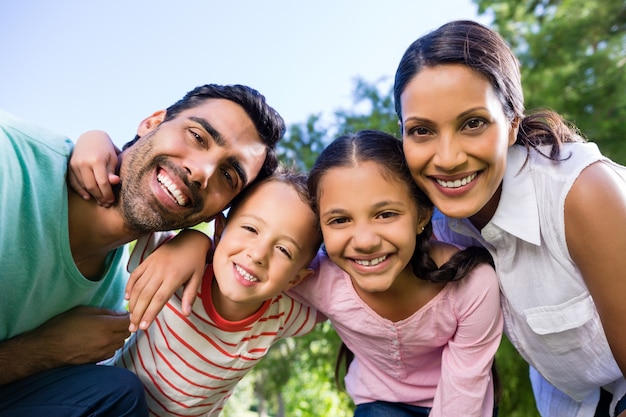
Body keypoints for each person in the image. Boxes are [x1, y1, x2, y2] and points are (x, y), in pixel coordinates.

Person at [0, 83, 285, 417]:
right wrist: (42, 351)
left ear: (217, 213)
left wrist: (199, 240)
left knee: (118, 393)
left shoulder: (108, 300)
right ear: (151, 123)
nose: (202, 172)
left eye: (227, 175)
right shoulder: (11, 162)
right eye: (197, 136)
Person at [393, 19, 626, 417]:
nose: (447, 159)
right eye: (421, 131)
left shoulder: (580, 193)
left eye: (473, 123)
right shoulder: (436, 221)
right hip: (572, 403)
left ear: (512, 124)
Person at [288, 130, 503, 417]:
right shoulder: (318, 279)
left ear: (422, 215)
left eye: (386, 214)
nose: (365, 241)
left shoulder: (472, 283)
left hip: (464, 401)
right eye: (340, 220)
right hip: (379, 405)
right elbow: (244, 268)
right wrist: (204, 246)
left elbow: (463, 397)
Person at [101, 165, 323, 416]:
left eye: (284, 250)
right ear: (219, 229)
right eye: (250, 229)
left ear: (295, 280)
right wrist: (193, 238)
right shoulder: (171, 265)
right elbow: (123, 194)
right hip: (113, 404)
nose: (259, 254)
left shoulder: (283, 314)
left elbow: (349, 293)